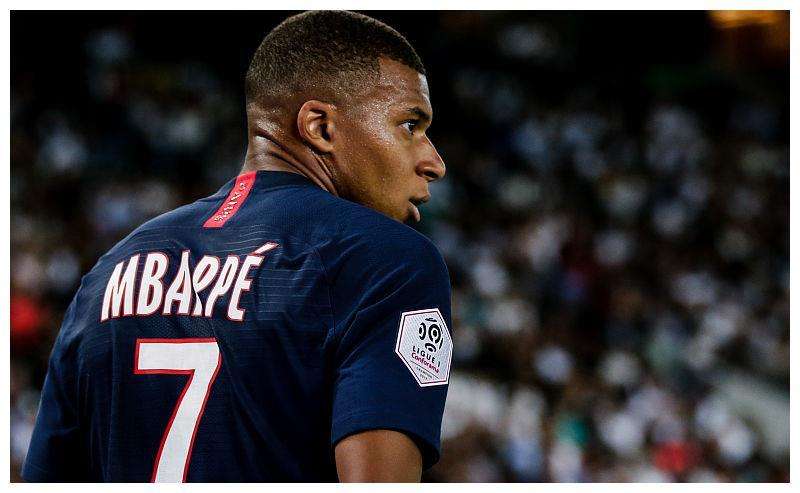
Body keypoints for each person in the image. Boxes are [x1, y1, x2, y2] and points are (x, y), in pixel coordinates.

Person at [22, 10, 450, 482]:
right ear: (320, 127)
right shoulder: (388, 260)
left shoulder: (108, 273)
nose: (435, 162)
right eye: (410, 125)